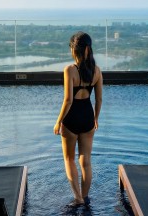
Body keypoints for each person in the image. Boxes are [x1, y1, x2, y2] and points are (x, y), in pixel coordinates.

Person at [53, 31, 103, 206]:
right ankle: (85, 196)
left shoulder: (69, 70)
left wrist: (58, 121)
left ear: (74, 50)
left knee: (69, 159)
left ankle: (78, 198)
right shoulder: (97, 71)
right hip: (87, 116)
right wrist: (96, 118)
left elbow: (68, 100)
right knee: (86, 161)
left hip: (72, 118)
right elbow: (99, 99)